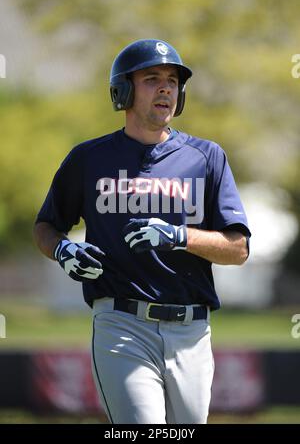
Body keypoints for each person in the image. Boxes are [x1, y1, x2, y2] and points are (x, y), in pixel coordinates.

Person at [33, 39, 251, 424]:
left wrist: (180, 236)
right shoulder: (89, 158)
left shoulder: (207, 156)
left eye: (173, 80)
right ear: (124, 90)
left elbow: (238, 249)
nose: (166, 87)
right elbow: (46, 226)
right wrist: (63, 250)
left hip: (192, 331)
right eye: (152, 78)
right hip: (121, 324)